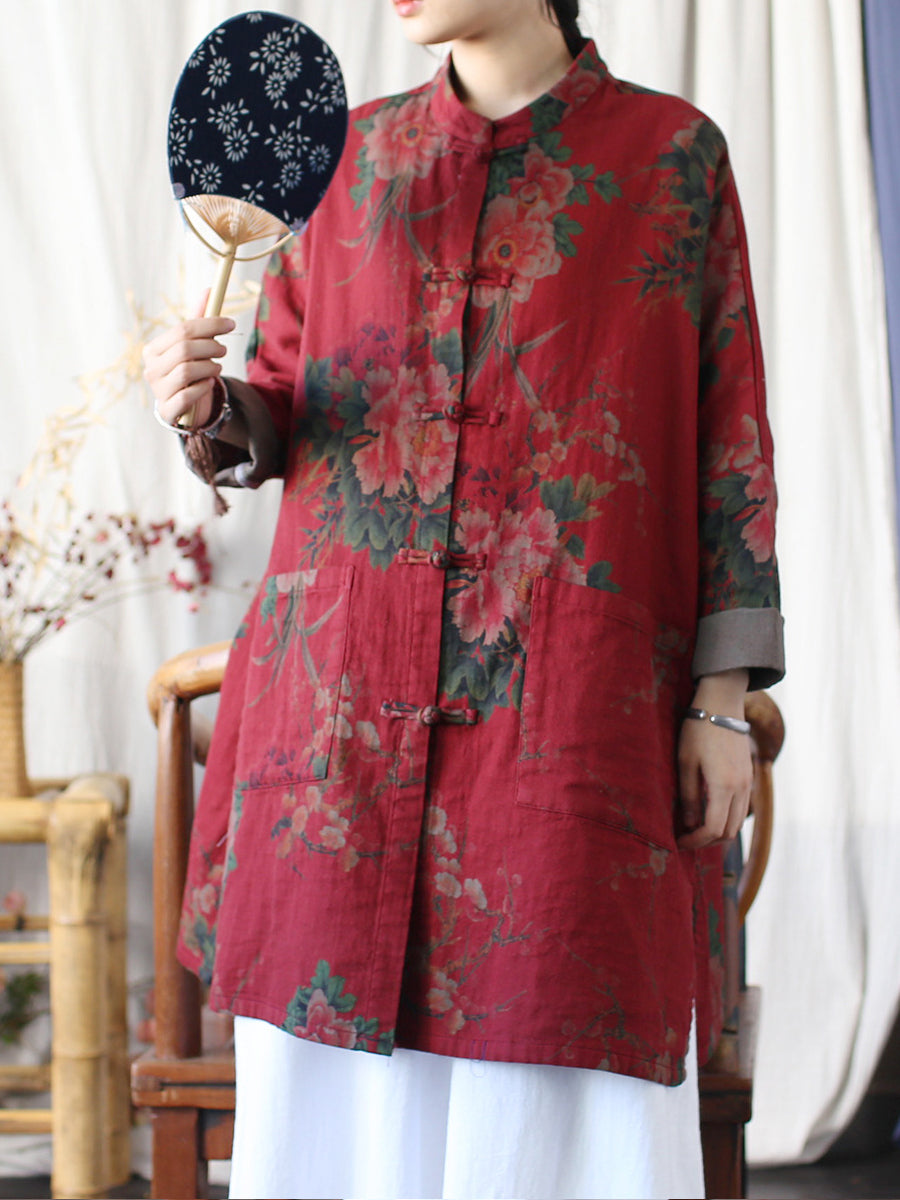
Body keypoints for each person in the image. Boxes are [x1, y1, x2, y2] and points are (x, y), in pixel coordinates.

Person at [144, 1, 784, 1196]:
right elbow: (281, 397)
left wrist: (721, 696)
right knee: (338, 1117)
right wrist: (209, 408)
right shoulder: (349, 157)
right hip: (337, 723)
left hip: (571, 728)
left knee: (559, 1073)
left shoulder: (671, 157)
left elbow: (728, 439)